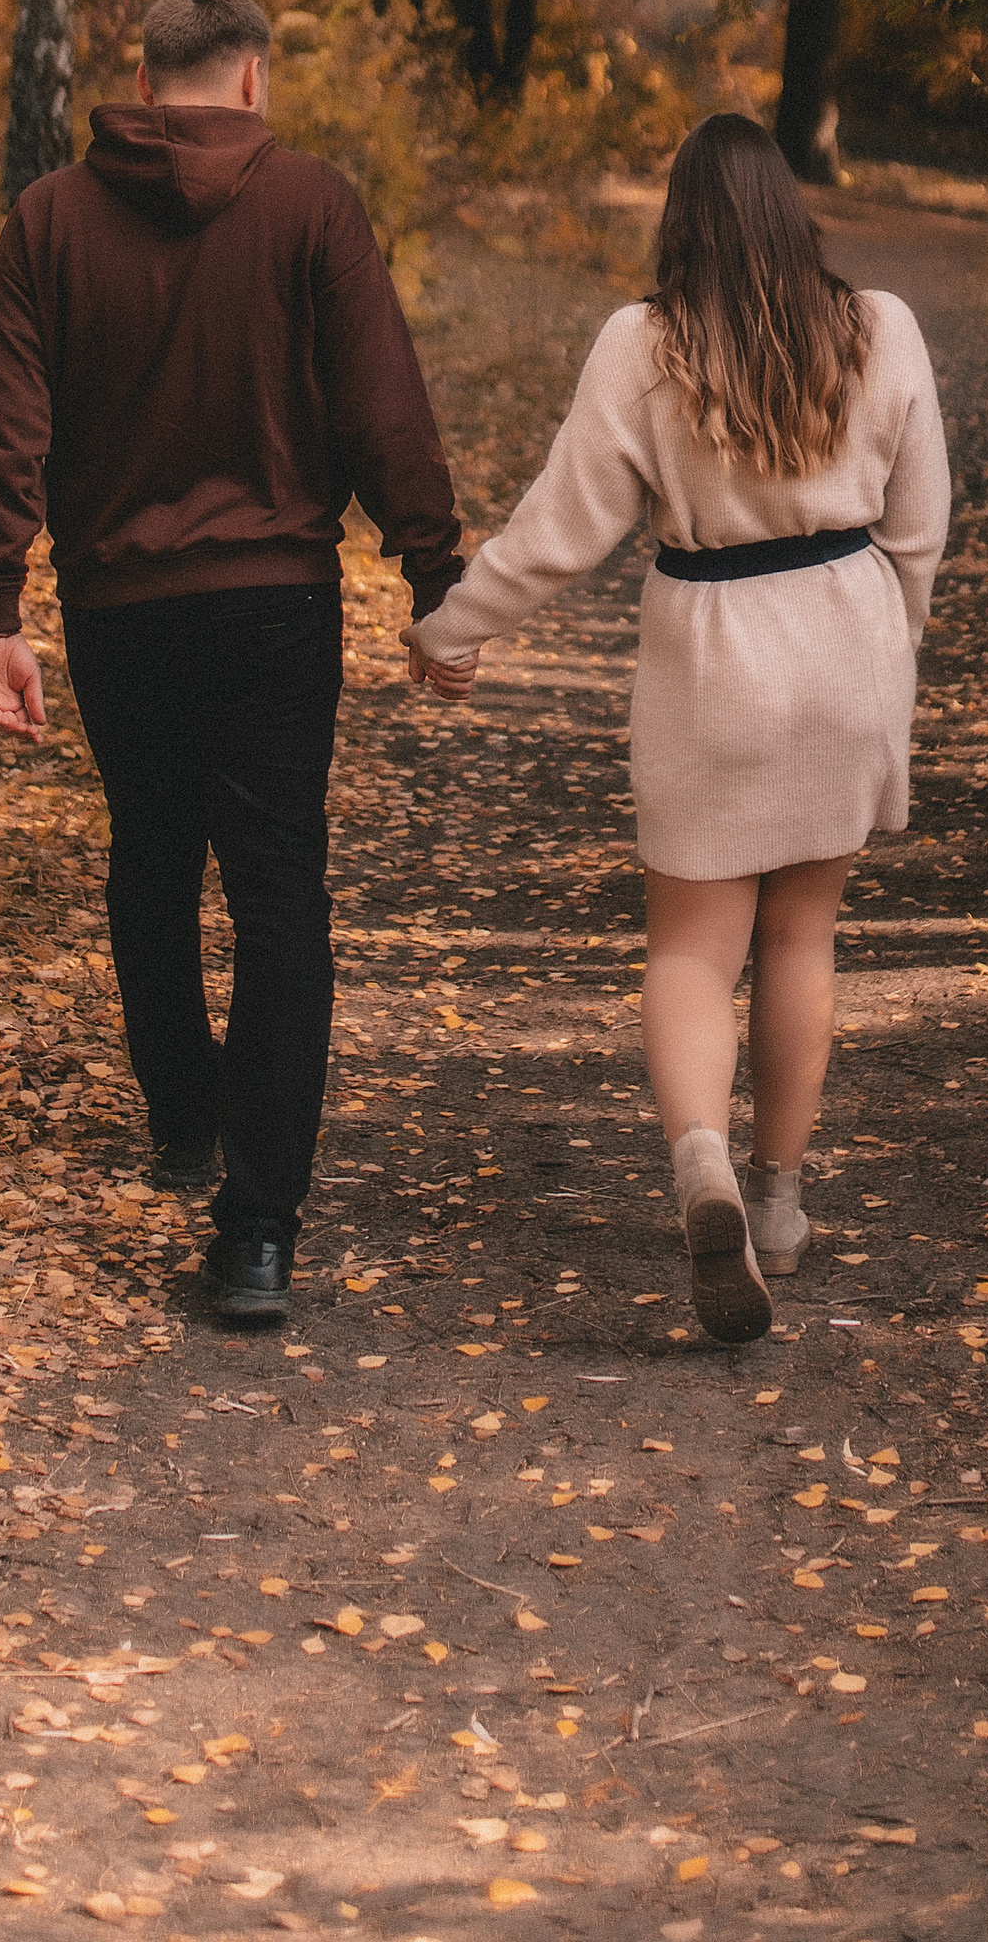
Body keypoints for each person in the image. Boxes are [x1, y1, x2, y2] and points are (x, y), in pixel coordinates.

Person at [0, 0, 462, 1328]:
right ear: (250, 81)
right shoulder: (311, 206)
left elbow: (8, 428)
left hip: (121, 611)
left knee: (151, 855)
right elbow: (381, 406)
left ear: (144, 77)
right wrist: (435, 570)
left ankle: (185, 1115)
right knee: (281, 886)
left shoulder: (50, 219)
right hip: (274, 606)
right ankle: (256, 1234)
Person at [404, 112, 949, 1346]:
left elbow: (563, 524)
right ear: (789, 209)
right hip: (847, 642)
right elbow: (917, 530)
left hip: (711, 658)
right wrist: (883, 651)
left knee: (693, 947)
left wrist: (452, 622)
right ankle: (778, 1200)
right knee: (803, 936)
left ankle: (697, 1157)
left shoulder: (641, 346)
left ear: (681, 222)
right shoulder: (883, 328)